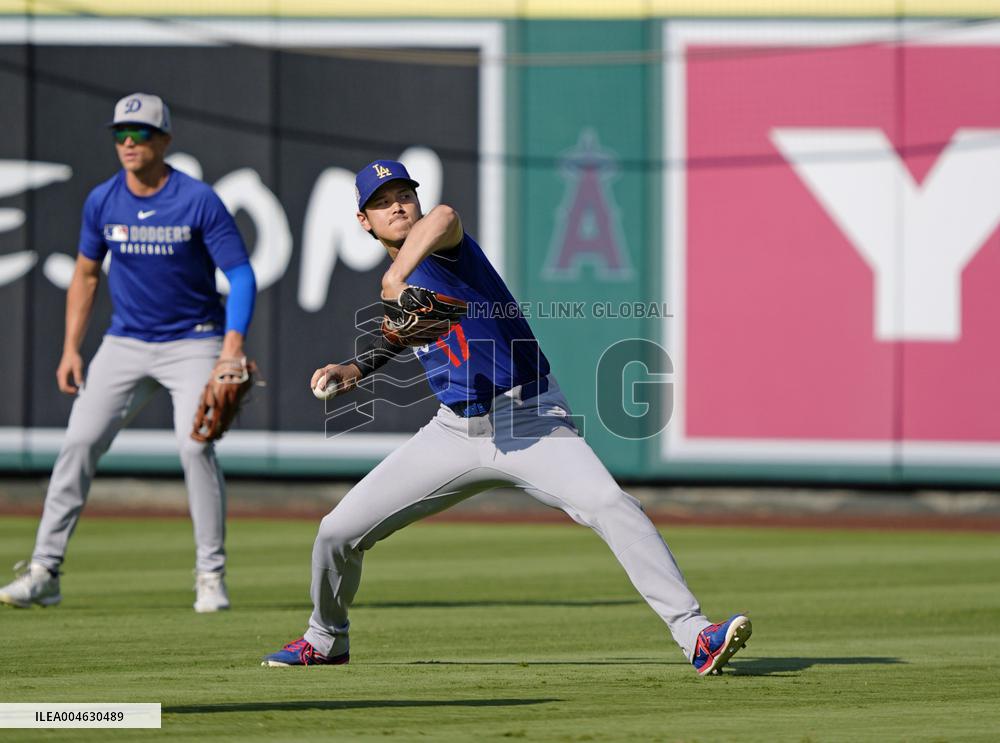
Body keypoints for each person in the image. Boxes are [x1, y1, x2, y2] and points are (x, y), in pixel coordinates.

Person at [262, 160, 750, 675]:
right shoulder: (402, 284)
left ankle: (696, 633)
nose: (398, 205)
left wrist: (397, 272)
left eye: (404, 193)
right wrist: (356, 366)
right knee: (337, 531)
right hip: (453, 433)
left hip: (528, 418)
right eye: (382, 201)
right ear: (364, 220)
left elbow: (447, 216)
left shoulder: (444, 251)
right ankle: (326, 638)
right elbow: (401, 331)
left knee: (609, 504)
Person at [0, 93, 256, 613]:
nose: (129, 142)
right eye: (121, 133)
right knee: (78, 444)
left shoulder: (197, 199)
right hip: (126, 341)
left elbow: (242, 274)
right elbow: (87, 275)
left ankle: (211, 575)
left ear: (164, 140)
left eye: (140, 133)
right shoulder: (102, 200)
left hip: (194, 339)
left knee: (194, 446)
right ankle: (45, 571)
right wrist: (72, 347)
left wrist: (231, 347)